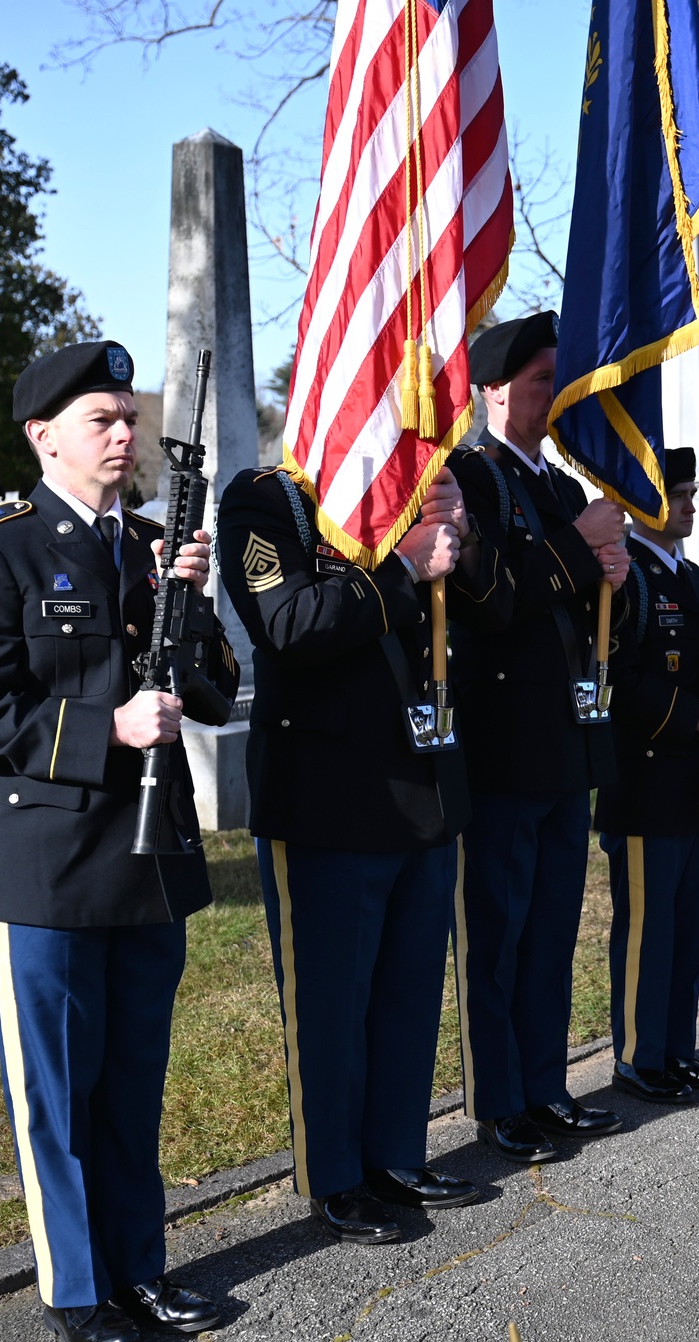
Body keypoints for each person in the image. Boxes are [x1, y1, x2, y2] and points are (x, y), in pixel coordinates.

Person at [0, 341, 233, 1342]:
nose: (122, 434)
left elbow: (220, 694)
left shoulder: (154, 541)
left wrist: (189, 603)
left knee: (134, 1079)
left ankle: (140, 1268)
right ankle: (74, 1284)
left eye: (127, 418)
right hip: (46, 868)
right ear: (41, 434)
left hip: (147, 860)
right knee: (57, 1091)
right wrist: (108, 725)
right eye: (100, 418)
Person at [214, 460, 505, 1244]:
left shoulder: (420, 482)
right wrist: (404, 564)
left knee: (409, 991)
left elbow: (492, 612)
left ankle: (397, 1154)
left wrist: (461, 535)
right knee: (331, 1003)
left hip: (423, 778)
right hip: (328, 793)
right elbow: (290, 624)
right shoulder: (268, 499)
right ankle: (336, 1176)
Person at [447, 312, 630, 1163]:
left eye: (554, 376)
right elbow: (487, 595)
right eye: (535, 379)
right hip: (504, 742)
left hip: (567, 741)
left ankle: (547, 1086)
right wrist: (578, 547)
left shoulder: (560, 487)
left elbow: (590, 615)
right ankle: (499, 1101)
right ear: (490, 391)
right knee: (499, 929)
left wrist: (614, 573)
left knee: (554, 926)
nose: (550, 390)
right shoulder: (468, 478)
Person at [594, 447, 699, 1103]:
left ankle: (677, 1050)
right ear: (643, 500)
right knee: (648, 927)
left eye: (691, 491)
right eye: (679, 492)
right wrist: (693, 715)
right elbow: (619, 683)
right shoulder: (625, 579)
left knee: (688, 927)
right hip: (647, 783)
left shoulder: (692, 579)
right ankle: (637, 1057)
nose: (690, 504)